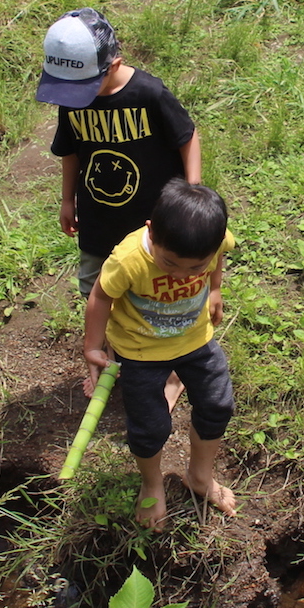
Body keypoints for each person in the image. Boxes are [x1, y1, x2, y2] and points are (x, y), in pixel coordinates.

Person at [81, 178, 236, 529]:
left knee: (217, 404)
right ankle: (152, 485)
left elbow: (220, 256)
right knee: (150, 426)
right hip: (140, 352)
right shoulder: (130, 258)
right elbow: (101, 296)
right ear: (152, 231)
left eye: (195, 267)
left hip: (196, 341)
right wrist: (92, 346)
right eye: (169, 264)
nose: (182, 275)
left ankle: (199, 475)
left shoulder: (216, 242)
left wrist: (213, 288)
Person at [38, 8, 201, 298]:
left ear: (114, 65)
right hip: (98, 219)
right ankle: (103, 340)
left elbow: (186, 137)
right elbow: (70, 151)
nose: (75, 96)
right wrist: (67, 199)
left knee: (151, 284)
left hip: (151, 218)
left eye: (82, 87)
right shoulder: (72, 101)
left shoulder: (149, 94)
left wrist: (192, 191)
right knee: (95, 288)